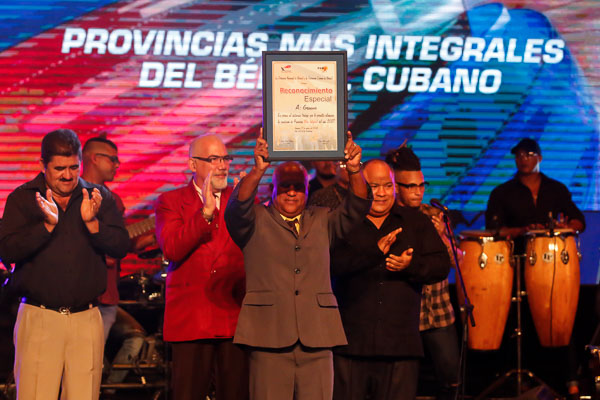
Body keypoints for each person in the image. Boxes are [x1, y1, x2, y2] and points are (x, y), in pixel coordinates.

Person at [224, 130, 370, 400]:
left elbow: (358, 206)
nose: (291, 192)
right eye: (284, 186)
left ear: (307, 189)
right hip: (268, 336)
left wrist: (354, 169)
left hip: (318, 336)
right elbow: (235, 209)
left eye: (297, 187)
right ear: (272, 188)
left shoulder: (323, 219)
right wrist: (258, 170)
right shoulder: (255, 220)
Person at [0, 129, 129, 400]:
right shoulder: (23, 198)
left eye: (73, 167)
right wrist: (45, 227)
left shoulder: (98, 197)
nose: (68, 176)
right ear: (43, 165)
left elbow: (120, 246)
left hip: (86, 319)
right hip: (39, 317)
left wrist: (93, 224)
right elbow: (7, 251)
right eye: (59, 168)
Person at [330, 159, 452, 400]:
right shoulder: (344, 221)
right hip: (351, 344)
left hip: (400, 345)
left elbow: (441, 266)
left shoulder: (415, 222)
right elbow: (331, 265)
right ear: (360, 186)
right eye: (374, 186)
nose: (382, 193)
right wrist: (373, 252)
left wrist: (411, 266)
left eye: (388, 185)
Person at [485, 137, 586, 398]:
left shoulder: (556, 189)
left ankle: (571, 380)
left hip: (555, 267)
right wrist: (522, 230)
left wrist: (563, 227)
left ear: (539, 158)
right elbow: (493, 230)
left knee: (562, 317)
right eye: (519, 155)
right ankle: (522, 381)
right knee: (522, 321)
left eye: (529, 154)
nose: (523, 159)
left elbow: (579, 221)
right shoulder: (502, 192)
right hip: (518, 265)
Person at [155, 134, 248, 400]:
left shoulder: (240, 199)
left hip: (233, 316)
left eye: (225, 159)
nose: (222, 166)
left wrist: (246, 201)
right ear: (192, 164)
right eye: (213, 159)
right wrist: (205, 213)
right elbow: (172, 248)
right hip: (192, 320)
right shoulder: (171, 201)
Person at [386, 146, 460, 400]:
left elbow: (457, 260)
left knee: (451, 378)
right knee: (401, 382)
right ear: (396, 186)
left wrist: (442, 237)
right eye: (410, 186)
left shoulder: (434, 215)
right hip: (405, 315)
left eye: (421, 185)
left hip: (438, 312)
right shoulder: (388, 217)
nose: (418, 191)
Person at [81, 136, 146, 392]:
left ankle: (107, 390)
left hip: (107, 295)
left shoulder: (114, 201)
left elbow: (119, 246)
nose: (117, 165)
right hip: (83, 295)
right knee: (85, 362)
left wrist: (152, 235)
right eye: (113, 159)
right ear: (94, 158)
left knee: (95, 359)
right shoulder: (72, 195)